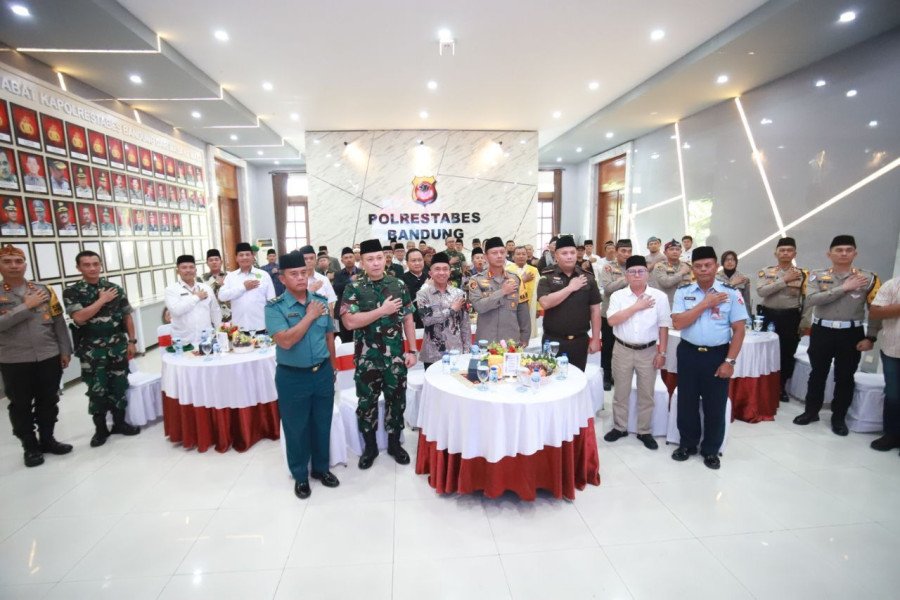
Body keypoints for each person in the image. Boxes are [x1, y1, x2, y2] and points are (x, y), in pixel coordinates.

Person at [266, 254, 340, 499]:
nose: (300, 278)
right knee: (296, 428)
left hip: (322, 373)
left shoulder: (320, 301)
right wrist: (309, 316)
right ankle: (300, 475)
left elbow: (329, 336)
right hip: (292, 377)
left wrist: (333, 367)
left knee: (322, 423)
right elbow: (285, 341)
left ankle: (321, 469)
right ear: (282, 278)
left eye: (303, 272)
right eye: (293, 274)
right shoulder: (275, 307)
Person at [340, 238, 417, 469]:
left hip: (395, 357)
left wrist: (412, 350)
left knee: (397, 401)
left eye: (379, 258)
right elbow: (350, 322)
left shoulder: (398, 284)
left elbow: (408, 318)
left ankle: (394, 444)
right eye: (370, 259)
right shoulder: (353, 288)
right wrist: (382, 310)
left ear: (386, 259)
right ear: (362, 262)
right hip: (367, 359)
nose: (375, 263)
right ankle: (370, 447)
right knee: (367, 403)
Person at [793, 235, 881, 436]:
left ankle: (838, 417)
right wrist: (844, 288)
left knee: (845, 377)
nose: (843, 253)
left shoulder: (868, 278)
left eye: (848, 250)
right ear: (829, 254)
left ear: (855, 253)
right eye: (839, 250)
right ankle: (811, 411)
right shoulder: (816, 276)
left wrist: (871, 337)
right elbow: (812, 300)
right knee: (817, 373)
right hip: (822, 331)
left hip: (851, 333)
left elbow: (875, 309)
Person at [671, 246, 747, 469]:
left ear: (716, 266)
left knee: (716, 404)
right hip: (688, 353)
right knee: (686, 401)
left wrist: (729, 361)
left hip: (717, 355)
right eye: (698, 266)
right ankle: (687, 444)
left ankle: (711, 450)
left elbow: (739, 330)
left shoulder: (731, 293)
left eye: (708, 265)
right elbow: (678, 323)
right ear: (692, 269)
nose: (703, 269)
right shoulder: (683, 291)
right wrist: (705, 304)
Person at [0, 245, 73, 467]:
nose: (14, 266)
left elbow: (58, 322)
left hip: (48, 355)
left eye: (18, 261)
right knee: (20, 405)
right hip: (14, 360)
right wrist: (26, 306)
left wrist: (65, 350)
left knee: (49, 400)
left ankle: (48, 439)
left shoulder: (44, 290)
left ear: (25, 265)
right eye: (7, 261)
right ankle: (30, 447)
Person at [63, 251, 141, 447]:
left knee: (119, 385)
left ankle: (120, 423)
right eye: (87, 264)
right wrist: (101, 300)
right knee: (97, 389)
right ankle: (100, 429)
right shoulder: (72, 292)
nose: (92, 268)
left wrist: (132, 341)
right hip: (92, 350)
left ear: (101, 265)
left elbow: (127, 316)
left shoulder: (114, 289)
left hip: (117, 346)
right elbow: (79, 317)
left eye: (95, 264)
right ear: (79, 268)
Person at [604, 255, 671, 449]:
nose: (636, 275)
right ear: (626, 275)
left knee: (646, 393)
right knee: (620, 392)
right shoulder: (618, 296)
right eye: (632, 271)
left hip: (648, 351)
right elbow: (612, 321)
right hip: (622, 349)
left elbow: (664, 326)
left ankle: (644, 431)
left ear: (647, 274)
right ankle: (620, 427)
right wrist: (637, 307)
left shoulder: (659, 297)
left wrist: (662, 353)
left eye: (641, 271)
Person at [536, 235, 601, 371]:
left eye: (572, 252)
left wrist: (595, 339)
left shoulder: (587, 277)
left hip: (579, 341)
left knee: (577, 379)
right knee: (550, 378)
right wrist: (570, 288)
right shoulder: (547, 275)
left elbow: (595, 310)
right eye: (564, 253)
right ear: (556, 256)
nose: (569, 256)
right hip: (552, 340)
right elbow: (545, 303)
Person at [755, 237, 808, 402]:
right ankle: (762, 385)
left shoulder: (803, 274)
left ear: (794, 254)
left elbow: (807, 300)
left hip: (790, 317)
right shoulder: (766, 272)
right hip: (768, 315)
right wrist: (784, 280)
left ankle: (781, 387)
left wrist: (805, 322)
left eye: (789, 250)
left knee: (787, 353)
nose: (785, 253)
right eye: (782, 250)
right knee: (764, 351)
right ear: (776, 253)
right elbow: (762, 292)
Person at [470, 237, 530, 345]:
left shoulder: (516, 279)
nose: (499, 256)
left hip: (511, 340)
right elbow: (479, 306)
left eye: (502, 252)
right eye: (494, 253)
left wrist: (525, 337)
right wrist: (502, 292)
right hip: (486, 341)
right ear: (485, 257)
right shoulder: (476, 280)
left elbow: (523, 311)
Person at [417, 252, 469, 369]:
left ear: (450, 272)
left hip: (456, 350)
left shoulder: (459, 294)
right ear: (430, 273)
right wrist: (451, 309)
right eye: (437, 269)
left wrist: (467, 350)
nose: (441, 272)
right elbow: (427, 320)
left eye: (445, 269)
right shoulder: (422, 295)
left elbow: (465, 324)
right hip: (432, 352)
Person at [869, 277, 900, 452]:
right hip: (893, 350)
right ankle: (891, 435)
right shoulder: (893, 285)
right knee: (893, 395)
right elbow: (875, 312)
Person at [218, 242, 276, 333]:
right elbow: (222, 296)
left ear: (253, 257)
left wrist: (272, 323)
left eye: (247, 254)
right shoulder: (231, 277)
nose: (244, 257)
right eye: (241, 255)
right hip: (238, 328)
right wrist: (243, 288)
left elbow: (272, 301)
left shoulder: (264, 275)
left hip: (261, 326)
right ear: (236, 258)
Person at [164, 255, 222, 346]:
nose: (188, 270)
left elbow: (215, 311)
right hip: (183, 342)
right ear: (177, 271)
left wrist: (219, 332)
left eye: (191, 267)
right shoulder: (171, 290)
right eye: (184, 267)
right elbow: (176, 310)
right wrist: (197, 297)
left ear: (195, 270)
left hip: (206, 340)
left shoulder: (206, 288)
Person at [599, 239, 632, 390]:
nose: (626, 254)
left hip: (629, 313)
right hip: (610, 314)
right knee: (608, 346)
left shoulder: (634, 267)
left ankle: (620, 375)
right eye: (623, 251)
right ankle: (606, 375)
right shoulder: (608, 267)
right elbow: (607, 289)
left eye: (629, 251)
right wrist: (626, 279)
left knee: (625, 347)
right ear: (616, 251)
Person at [507, 246, 540, 333]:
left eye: (523, 254)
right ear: (513, 257)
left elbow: (539, 289)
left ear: (527, 256)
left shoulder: (534, 270)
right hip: (512, 305)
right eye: (518, 254)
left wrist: (538, 307)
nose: (521, 256)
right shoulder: (507, 270)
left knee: (529, 330)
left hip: (531, 304)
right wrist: (523, 279)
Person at [650, 239, 693, 307]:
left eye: (677, 249)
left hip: (685, 303)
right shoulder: (660, 266)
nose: (675, 251)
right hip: (668, 304)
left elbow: (691, 284)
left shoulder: (686, 265)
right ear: (665, 252)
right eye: (671, 249)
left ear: (681, 252)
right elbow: (666, 283)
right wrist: (681, 272)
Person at [333, 247, 361, 343]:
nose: (349, 260)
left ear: (355, 258)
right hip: (343, 309)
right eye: (346, 258)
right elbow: (336, 289)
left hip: (360, 308)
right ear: (342, 260)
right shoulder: (338, 274)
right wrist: (350, 280)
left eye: (350, 257)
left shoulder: (362, 272)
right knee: (345, 339)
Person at [299, 245, 338, 315]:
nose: (309, 261)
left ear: (315, 260)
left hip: (323, 319)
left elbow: (330, 304)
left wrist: (331, 320)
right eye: (305, 259)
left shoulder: (324, 279)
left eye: (311, 258)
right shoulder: (296, 280)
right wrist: (310, 291)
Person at [201, 249, 231, 323]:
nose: (214, 262)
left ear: (221, 261)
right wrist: (217, 284)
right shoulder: (201, 279)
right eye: (211, 260)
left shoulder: (230, 276)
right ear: (207, 263)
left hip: (229, 316)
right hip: (210, 318)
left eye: (216, 259)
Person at [401, 248, 428, 329]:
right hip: (412, 321)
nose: (417, 263)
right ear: (407, 263)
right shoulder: (401, 280)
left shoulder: (430, 277)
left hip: (430, 320)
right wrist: (425, 287)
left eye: (420, 260)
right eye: (413, 260)